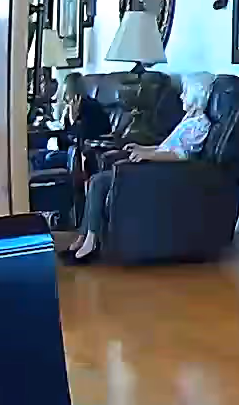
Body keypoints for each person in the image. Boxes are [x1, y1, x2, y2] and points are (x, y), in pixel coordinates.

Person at [61, 74, 213, 264]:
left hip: (162, 173)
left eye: (185, 93)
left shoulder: (200, 125)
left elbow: (181, 156)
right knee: (95, 181)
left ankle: (91, 241)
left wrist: (148, 156)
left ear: (196, 96)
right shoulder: (188, 121)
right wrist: (142, 148)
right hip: (156, 165)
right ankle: (83, 237)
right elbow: (165, 147)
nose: (181, 97)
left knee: (99, 182)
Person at [31, 74, 112, 171]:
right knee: (37, 156)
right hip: (70, 151)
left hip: (83, 155)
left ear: (76, 92)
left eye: (67, 92)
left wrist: (73, 120)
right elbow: (66, 137)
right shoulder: (72, 107)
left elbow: (81, 137)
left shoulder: (92, 108)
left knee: (48, 158)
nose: (64, 97)